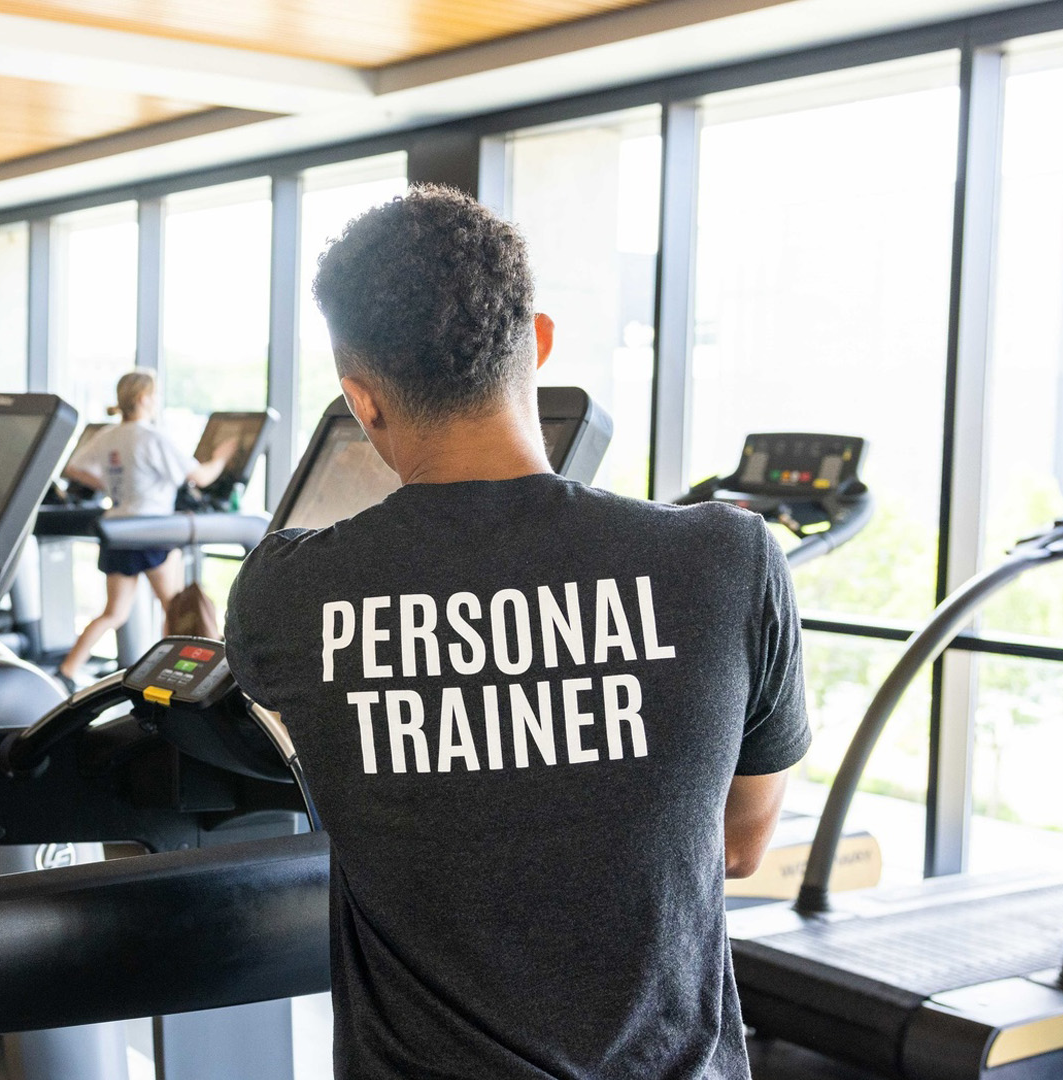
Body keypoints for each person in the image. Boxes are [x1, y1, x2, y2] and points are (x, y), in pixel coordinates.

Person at [223, 186, 807, 1080]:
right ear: (536, 345)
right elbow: (738, 841)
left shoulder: (284, 594)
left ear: (362, 398)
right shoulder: (729, 559)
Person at [57, 369, 235, 687]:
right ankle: (174, 679)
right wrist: (223, 457)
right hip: (153, 533)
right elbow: (201, 477)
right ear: (143, 398)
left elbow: (73, 467)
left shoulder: (110, 435)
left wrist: (111, 487)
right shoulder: (152, 437)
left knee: (114, 613)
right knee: (174, 610)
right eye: (155, 394)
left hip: (119, 532)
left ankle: (67, 671)